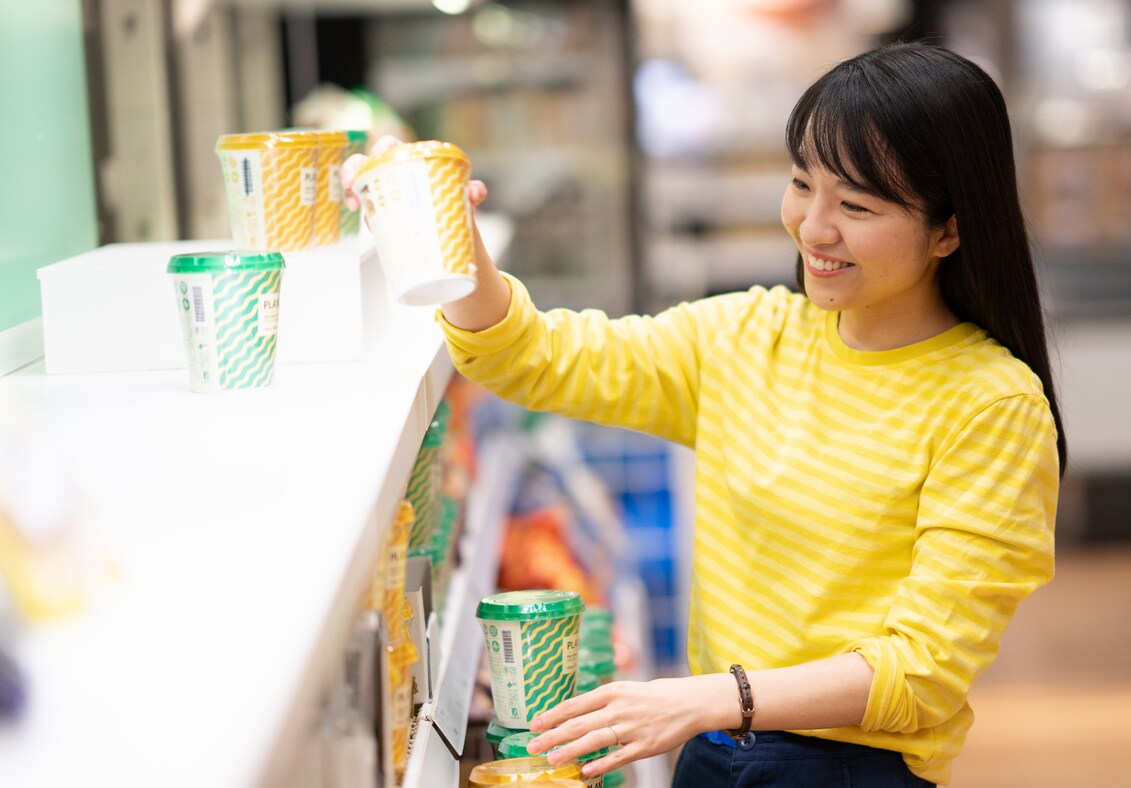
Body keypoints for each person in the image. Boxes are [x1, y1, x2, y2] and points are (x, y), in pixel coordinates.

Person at [345, 40, 1064, 788]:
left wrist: (710, 699)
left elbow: (921, 674)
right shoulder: (747, 336)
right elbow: (534, 358)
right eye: (800, 184)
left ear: (949, 229)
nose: (814, 227)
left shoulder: (992, 406)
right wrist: (445, 234)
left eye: (856, 204)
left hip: (846, 770)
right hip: (714, 753)